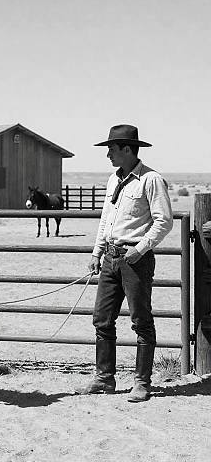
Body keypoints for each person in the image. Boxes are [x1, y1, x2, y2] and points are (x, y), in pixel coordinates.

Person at [76, 124, 173, 402]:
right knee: (102, 319)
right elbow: (106, 220)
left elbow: (163, 221)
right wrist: (97, 253)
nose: (108, 154)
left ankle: (142, 382)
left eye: (112, 149)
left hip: (135, 260)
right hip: (110, 257)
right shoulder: (112, 180)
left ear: (127, 150)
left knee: (141, 320)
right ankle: (104, 378)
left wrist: (141, 249)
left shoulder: (151, 180)